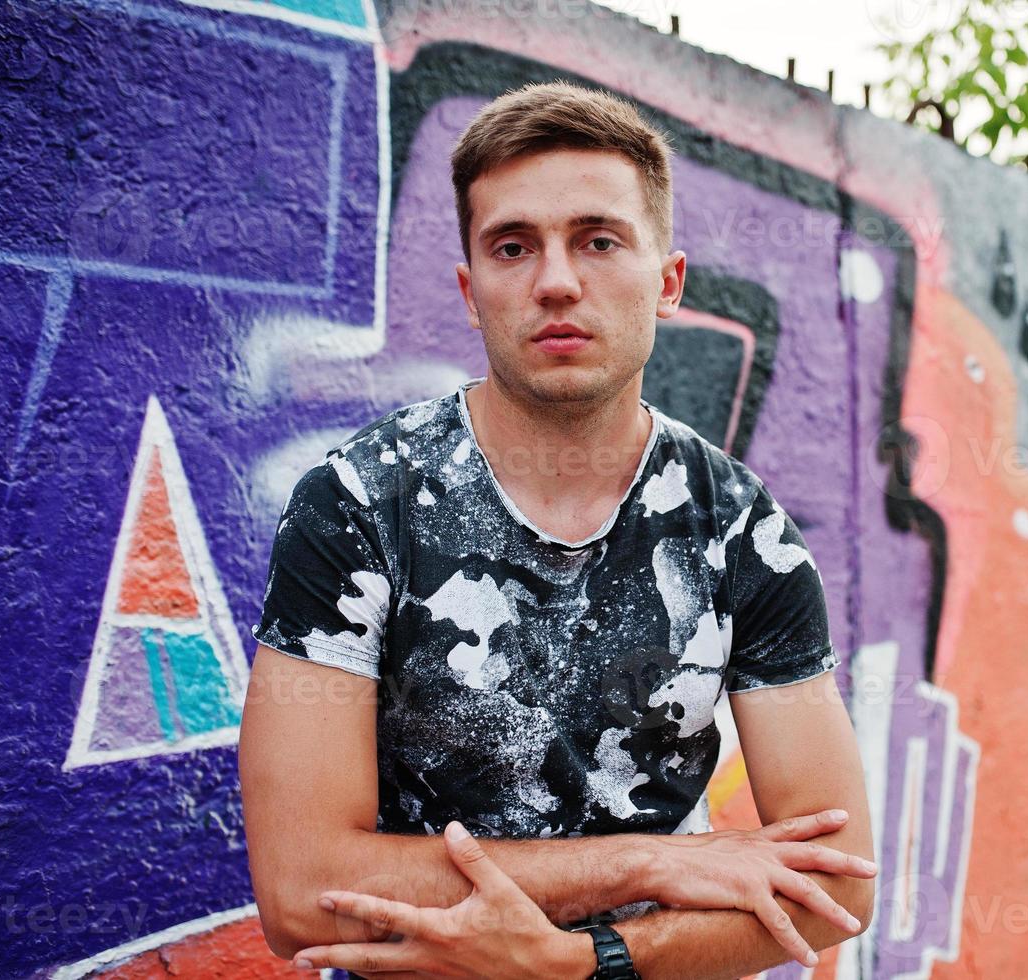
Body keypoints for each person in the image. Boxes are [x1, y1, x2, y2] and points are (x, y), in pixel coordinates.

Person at [238, 80, 875, 979]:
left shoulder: (740, 532)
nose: (557, 281)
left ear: (668, 282)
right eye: (512, 246)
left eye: (598, 240)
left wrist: (582, 964)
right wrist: (647, 860)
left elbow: (835, 893)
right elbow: (302, 894)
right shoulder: (358, 504)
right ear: (470, 290)